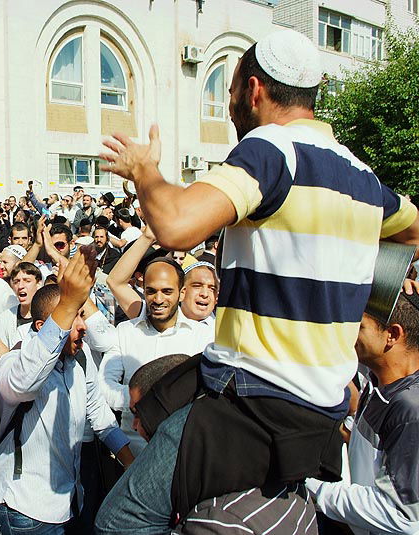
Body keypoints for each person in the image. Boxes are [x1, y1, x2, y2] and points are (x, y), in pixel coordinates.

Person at [95, 28, 419, 532]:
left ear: (253, 91)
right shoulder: (362, 176)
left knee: (121, 520)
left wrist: (145, 172)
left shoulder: (271, 151)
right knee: (157, 404)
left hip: (252, 401)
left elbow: (177, 224)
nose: (228, 109)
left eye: (227, 96)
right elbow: (413, 229)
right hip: (319, 411)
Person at [0, 253, 134, 533]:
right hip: (24, 511)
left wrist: (132, 463)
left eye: (81, 314)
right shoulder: (15, 360)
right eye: (71, 317)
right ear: (43, 328)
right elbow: (26, 380)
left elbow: (99, 415)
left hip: (70, 502)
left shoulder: (81, 359)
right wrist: (67, 302)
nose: (82, 326)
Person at [308, 293, 419, 534]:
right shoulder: (376, 384)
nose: (347, 334)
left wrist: (315, 491)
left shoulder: (411, 410)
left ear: (393, 334)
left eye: (359, 326)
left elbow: (403, 515)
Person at [99, 257, 213, 454]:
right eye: (151, 291)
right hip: (133, 453)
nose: (158, 299)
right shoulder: (125, 332)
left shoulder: (204, 337)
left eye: (167, 291)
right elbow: (104, 386)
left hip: (182, 453)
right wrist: (142, 402)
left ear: (182, 293)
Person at [0, 262, 42, 349]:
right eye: (16, 282)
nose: (20, 286)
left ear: (38, 284)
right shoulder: (4, 318)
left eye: (27, 281)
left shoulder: (47, 314)